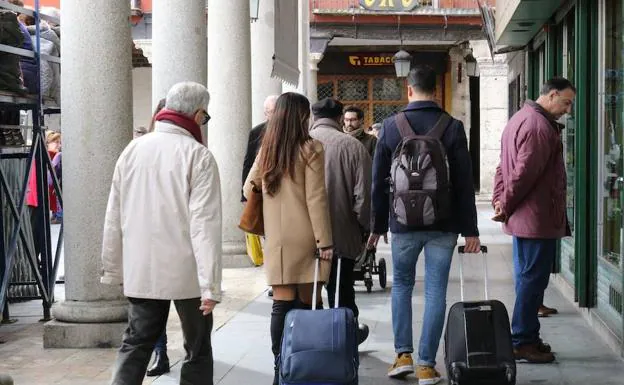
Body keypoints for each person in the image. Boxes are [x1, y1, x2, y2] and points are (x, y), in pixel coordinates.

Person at [101, 81, 222, 385]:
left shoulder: (132, 150)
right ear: (197, 114)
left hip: (143, 267)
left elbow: (114, 215)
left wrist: (114, 268)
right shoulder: (199, 156)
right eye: (205, 117)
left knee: (136, 344)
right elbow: (204, 224)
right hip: (187, 273)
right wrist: (211, 285)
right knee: (197, 349)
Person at [367, 65, 480, 384]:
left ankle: (403, 356)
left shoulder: (390, 126)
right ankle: (427, 365)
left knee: (401, 286)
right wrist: (470, 230)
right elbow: (463, 183)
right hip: (444, 224)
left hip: (402, 224)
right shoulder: (453, 126)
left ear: (409, 89)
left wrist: (377, 226)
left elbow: (378, 183)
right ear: (436, 89)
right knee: (435, 292)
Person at [243, 92, 333, 385]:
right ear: (301, 116)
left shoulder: (267, 150)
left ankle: (279, 366)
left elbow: (248, 189)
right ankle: (301, 365)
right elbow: (316, 199)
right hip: (307, 238)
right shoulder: (311, 149)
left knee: (280, 304)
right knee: (307, 305)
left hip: (278, 239)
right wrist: (325, 241)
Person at [492, 77, 575, 364]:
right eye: (566, 102)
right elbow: (523, 173)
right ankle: (522, 341)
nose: (568, 109)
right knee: (532, 280)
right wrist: (507, 202)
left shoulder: (520, 118)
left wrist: (500, 199)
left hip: (527, 217)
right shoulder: (539, 126)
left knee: (528, 279)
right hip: (535, 217)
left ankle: (527, 336)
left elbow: (503, 166)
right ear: (551, 95)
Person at [309, 98, 372, 345]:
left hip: (305, 236)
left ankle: (310, 339)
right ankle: (346, 336)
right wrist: (363, 228)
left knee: (308, 292)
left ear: (314, 116)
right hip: (341, 235)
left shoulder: (297, 144)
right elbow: (363, 197)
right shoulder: (353, 146)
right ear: (339, 119)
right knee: (342, 289)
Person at [241, 94, 279, 295]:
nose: (271, 115)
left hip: (280, 196)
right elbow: (249, 163)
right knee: (268, 240)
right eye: (269, 111)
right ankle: (273, 280)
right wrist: (245, 195)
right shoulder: (257, 132)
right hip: (262, 194)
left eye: (274, 111)